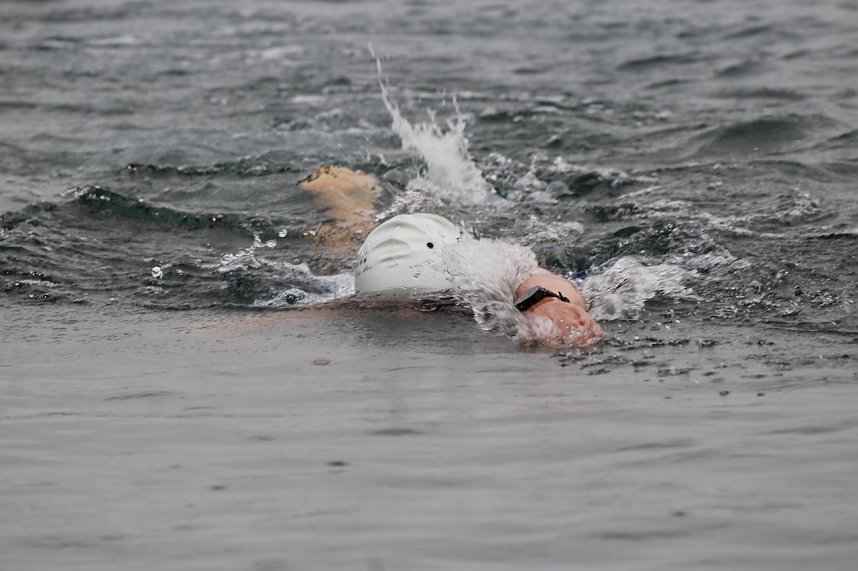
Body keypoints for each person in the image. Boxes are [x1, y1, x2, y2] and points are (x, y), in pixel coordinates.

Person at [301, 167, 602, 348]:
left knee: (347, 237)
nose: (409, 317)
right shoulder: (352, 296)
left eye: (432, 306)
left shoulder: (488, 279)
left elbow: (538, 278)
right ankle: (343, 203)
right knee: (342, 246)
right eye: (390, 308)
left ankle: (347, 203)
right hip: (353, 272)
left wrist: (546, 305)